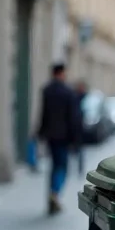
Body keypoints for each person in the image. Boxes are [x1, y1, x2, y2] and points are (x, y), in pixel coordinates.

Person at [37, 63, 82, 215]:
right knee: (62, 167)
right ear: (62, 73)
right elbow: (73, 118)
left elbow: (43, 114)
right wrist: (76, 140)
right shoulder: (68, 92)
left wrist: (40, 133)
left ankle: (52, 193)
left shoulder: (46, 90)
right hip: (64, 137)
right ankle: (55, 193)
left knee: (54, 166)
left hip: (51, 135)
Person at [73, 80, 88, 175]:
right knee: (77, 149)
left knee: (81, 150)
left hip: (80, 128)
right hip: (75, 127)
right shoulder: (75, 97)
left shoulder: (85, 97)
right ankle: (78, 168)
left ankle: (80, 169)